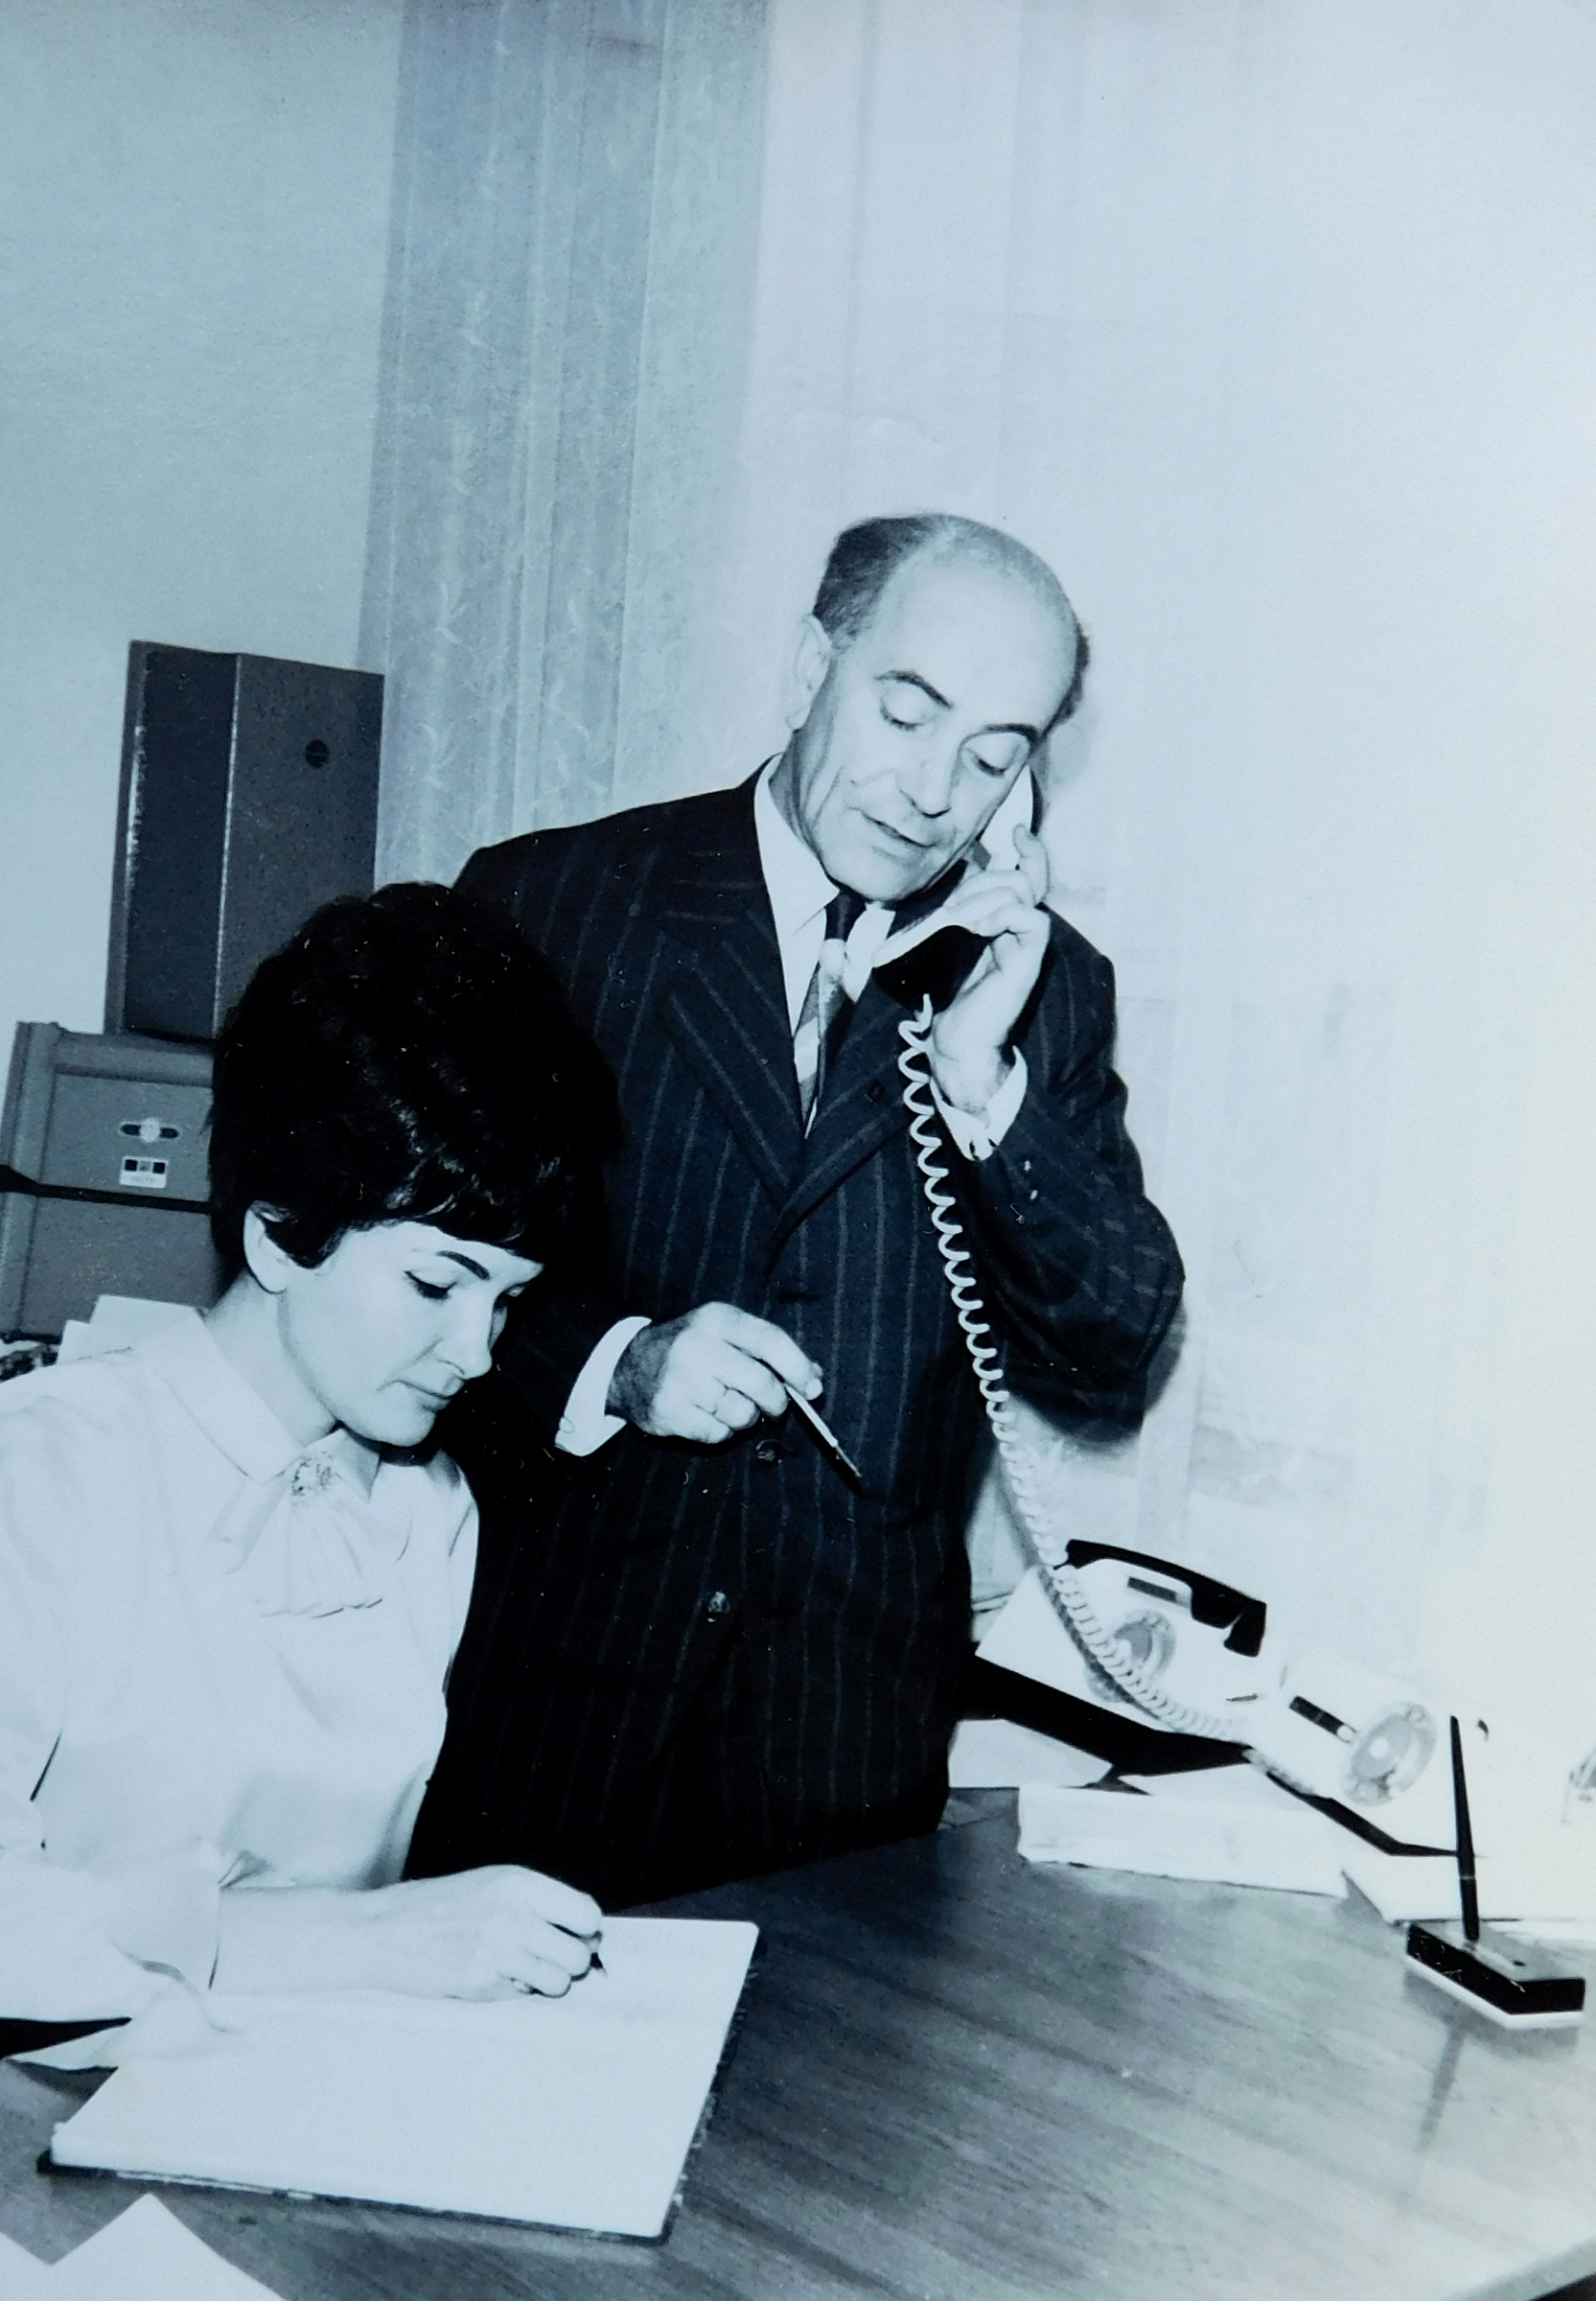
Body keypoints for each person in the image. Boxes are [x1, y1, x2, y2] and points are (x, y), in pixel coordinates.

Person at [409, 514, 1184, 1907]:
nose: (933, 791)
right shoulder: (554, 903)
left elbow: (1115, 1343)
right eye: (907, 711)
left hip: (840, 1755)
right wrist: (618, 1361)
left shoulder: (1044, 989)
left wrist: (982, 1082)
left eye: (993, 753)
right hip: (553, 1708)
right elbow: (391, 1266)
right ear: (809, 669)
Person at [0, 883, 615, 2040]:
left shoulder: (429, 1508)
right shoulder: (40, 1475)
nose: (478, 1353)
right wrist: (364, 1940)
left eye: (508, 1299)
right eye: (435, 1284)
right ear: (280, 1236)